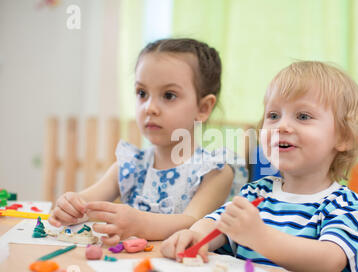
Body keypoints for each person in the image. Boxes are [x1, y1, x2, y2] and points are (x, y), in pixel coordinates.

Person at [161, 61, 358, 272]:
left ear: (343, 138)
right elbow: (218, 223)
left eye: (303, 116)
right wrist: (196, 235)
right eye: (273, 115)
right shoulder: (256, 192)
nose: (281, 126)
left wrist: (259, 236)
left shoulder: (345, 205)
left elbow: (328, 263)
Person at [48, 38, 248, 246]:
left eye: (169, 95)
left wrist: (139, 223)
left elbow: (193, 222)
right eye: (142, 93)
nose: (149, 108)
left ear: (203, 108)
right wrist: (70, 206)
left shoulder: (214, 170)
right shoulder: (130, 166)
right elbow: (86, 204)